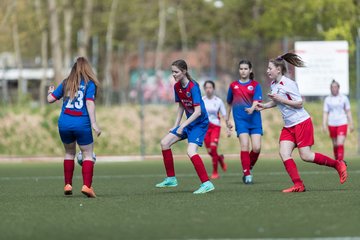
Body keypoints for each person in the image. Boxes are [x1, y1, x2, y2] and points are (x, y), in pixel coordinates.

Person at [256, 53, 347, 193]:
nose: (267, 71)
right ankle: (298, 184)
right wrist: (264, 106)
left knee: (306, 156)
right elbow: (277, 101)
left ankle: (337, 164)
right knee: (284, 153)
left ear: (278, 70)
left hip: (301, 122)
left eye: (270, 68)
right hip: (289, 126)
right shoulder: (274, 84)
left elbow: (299, 103)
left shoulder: (289, 83)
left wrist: (280, 99)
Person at [156, 59, 215, 194]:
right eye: (172, 72)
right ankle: (171, 179)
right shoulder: (177, 87)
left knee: (191, 151)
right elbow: (181, 106)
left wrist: (183, 125)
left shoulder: (193, 87)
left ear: (184, 71)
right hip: (188, 123)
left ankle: (207, 183)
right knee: (165, 143)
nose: (173, 75)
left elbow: (198, 112)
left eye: (176, 72)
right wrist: (175, 125)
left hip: (199, 124)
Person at [47, 57, 101, 198]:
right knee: (88, 154)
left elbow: (50, 99)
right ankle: (87, 186)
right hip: (81, 123)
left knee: (69, 153)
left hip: (64, 123)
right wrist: (94, 123)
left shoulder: (66, 82)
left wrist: (49, 92)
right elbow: (89, 103)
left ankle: (68, 184)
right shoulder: (90, 84)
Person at [226, 59, 263, 184]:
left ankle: (249, 166)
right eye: (241, 68)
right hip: (241, 120)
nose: (243, 71)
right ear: (239, 70)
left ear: (250, 70)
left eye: (245, 68)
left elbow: (257, 101)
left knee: (257, 148)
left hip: (255, 120)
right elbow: (229, 103)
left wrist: (252, 108)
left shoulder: (256, 85)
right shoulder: (233, 86)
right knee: (244, 146)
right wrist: (227, 119)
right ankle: (247, 174)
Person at [322, 80, 354, 161]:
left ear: (338, 88)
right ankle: (337, 161)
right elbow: (325, 112)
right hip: (331, 123)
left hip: (342, 122)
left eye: (335, 87)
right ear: (330, 88)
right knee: (335, 144)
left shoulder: (344, 98)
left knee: (340, 143)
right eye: (332, 87)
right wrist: (324, 124)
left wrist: (351, 123)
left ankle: (340, 162)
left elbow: (348, 111)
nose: (334, 88)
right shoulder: (327, 99)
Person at [202, 80, 227, 179]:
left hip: (215, 126)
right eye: (206, 88)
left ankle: (215, 172)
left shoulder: (218, 101)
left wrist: (228, 126)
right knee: (209, 151)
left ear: (214, 89)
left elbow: (224, 115)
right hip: (205, 128)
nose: (208, 90)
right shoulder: (201, 100)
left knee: (213, 148)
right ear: (204, 89)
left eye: (210, 87)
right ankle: (220, 158)